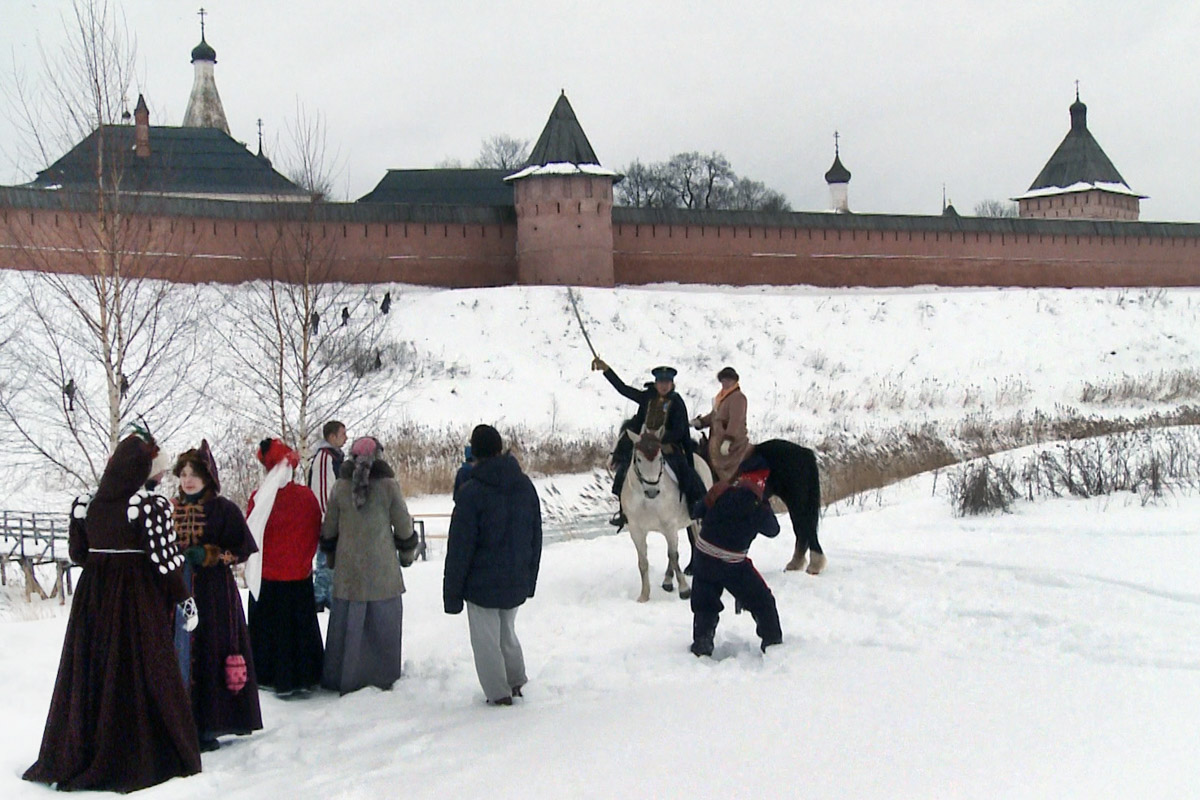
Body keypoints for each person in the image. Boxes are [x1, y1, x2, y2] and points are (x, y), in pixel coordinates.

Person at [24, 427, 201, 792]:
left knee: (92, 669)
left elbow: (77, 555)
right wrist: (184, 598)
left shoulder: (86, 504)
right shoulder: (148, 507)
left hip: (93, 599)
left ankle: (84, 750)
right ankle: (137, 753)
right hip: (135, 598)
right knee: (140, 667)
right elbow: (165, 563)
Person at [173, 441, 263, 751]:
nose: (187, 480)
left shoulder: (224, 509)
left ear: (207, 476)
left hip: (215, 596)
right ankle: (181, 723)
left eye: (194, 473)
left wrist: (212, 555)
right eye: (183, 473)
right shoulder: (172, 508)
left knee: (211, 651)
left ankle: (210, 724)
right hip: (178, 591)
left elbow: (243, 549)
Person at [444, 425, 542, 706]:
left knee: (486, 640)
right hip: (516, 578)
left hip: (481, 584)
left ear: (474, 452)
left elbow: (460, 548)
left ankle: (499, 694)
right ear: (500, 449)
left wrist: (452, 595)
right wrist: (529, 578)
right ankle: (516, 680)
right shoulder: (524, 485)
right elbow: (536, 534)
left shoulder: (471, 492)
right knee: (507, 632)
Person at [320, 436, 419, 694]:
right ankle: (381, 677)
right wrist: (407, 554)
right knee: (382, 626)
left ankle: (343, 676)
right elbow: (404, 525)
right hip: (382, 570)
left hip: (349, 570)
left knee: (347, 626)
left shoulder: (341, 487)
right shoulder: (388, 486)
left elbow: (329, 527)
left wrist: (331, 558)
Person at [246, 439, 324, 696]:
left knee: (269, 631)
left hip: (268, 578)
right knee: (299, 629)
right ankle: (305, 675)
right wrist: (304, 560)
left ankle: (268, 674)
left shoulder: (259, 499)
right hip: (298, 577)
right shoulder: (306, 497)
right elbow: (316, 530)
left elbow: (250, 535)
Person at [591, 358, 705, 526]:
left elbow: (680, 430)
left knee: (686, 473)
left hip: (667, 446)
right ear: (656, 383)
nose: (663, 386)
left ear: (672, 384)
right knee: (624, 470)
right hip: (643, 445)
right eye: (660, 382)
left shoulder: (677, 402)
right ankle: (624, 511)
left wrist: (661, 438)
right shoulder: (647, 396)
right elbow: (624, 389)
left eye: (667, 382)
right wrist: (607, 370)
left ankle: (695, 507)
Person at [688, 455, 782, 657]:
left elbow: (696, 511)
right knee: (762, 601)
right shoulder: (759, 507)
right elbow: (773, 530)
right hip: (732, 565)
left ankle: (702, 642)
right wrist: (765, 504)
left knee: (705, 604)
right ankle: (773, 641)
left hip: (703, 558)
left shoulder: (720, 490)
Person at [308, 420, 346, 612]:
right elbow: (322, 491)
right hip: (326, 519)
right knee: (325, 560)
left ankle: (329, 596)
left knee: (332, 559)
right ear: (331, 437)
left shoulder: (334, 456)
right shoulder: (325, 457)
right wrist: (328, 520)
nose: (345, 438)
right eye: (342, 434)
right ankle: (319, 597)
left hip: (333, 518)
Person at [692, 366, 752, 482]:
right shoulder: (722, 398)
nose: (725, 383)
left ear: (735, 381)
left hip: (732, 445)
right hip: (717, 442)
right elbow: (714, 417)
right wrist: (700, 422)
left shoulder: (738, 398)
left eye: (728, 380)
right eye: (723, 380)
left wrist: (728, 439)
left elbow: (736, 420)